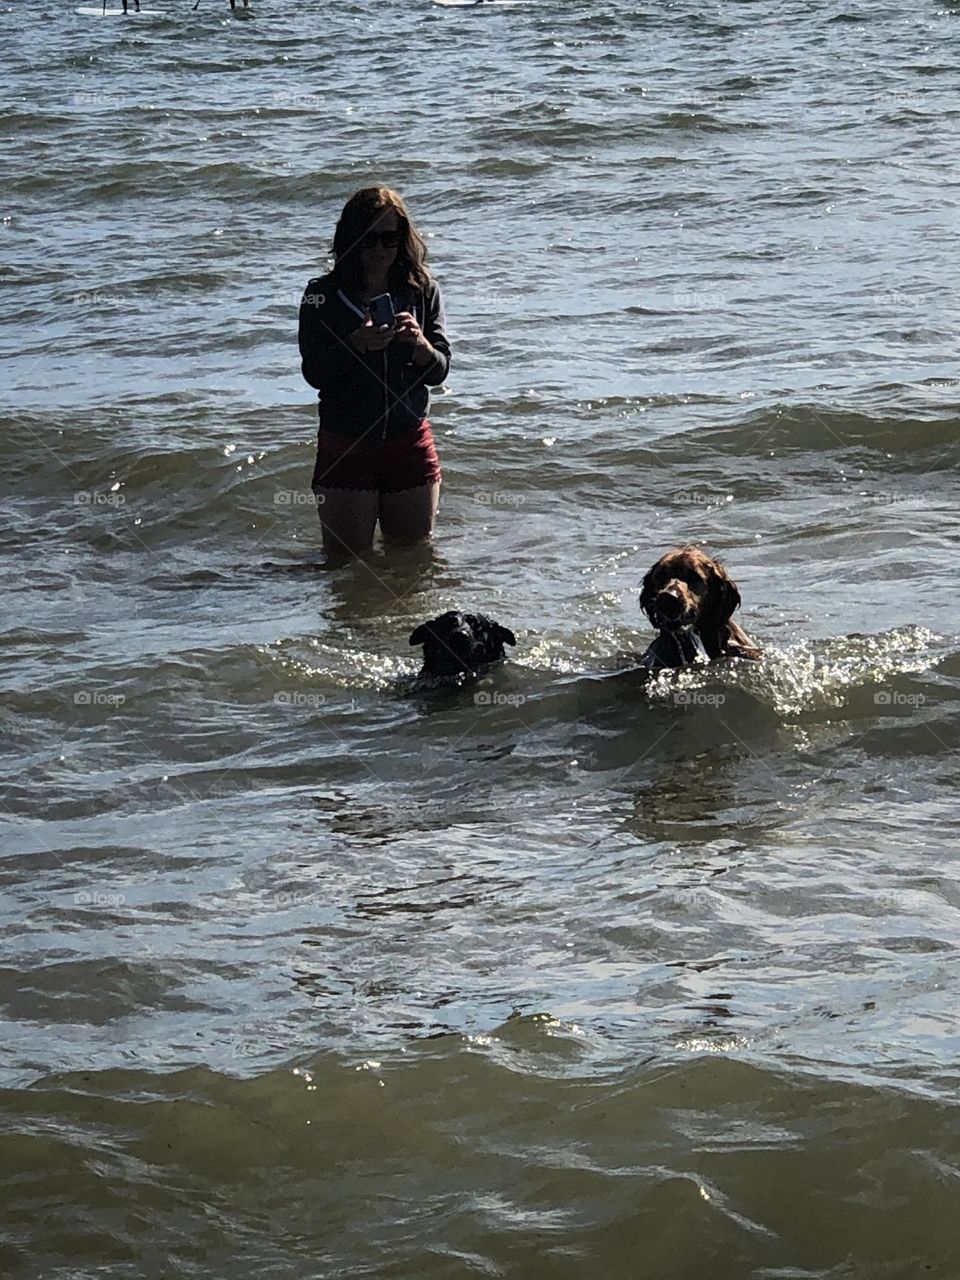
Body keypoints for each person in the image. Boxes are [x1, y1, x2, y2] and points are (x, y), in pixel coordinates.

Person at [297, 187, 451, 560]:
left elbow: (440, 370)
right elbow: (314, 372)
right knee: (345, 565)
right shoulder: (322, 296)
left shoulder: (423, 291)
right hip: (346, 445)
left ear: (403, 238)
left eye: (390, 238)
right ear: (351, 239)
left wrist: (422, 347)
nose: (380, 248)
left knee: (413, 561)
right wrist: (355, 344)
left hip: (408, 442)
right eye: (369, 239)